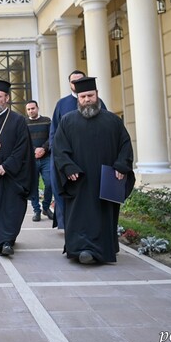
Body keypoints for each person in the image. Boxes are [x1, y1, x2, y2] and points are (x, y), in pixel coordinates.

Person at [52, 76, 135, 264]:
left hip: (105, 179)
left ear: (97, 95)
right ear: (78, 99)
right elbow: (59, 148)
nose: (86, 100)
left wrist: (122, 166)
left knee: (104, 214)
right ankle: (81, 249)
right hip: (79, 180)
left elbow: (125, 145)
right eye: (82, 97)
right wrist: (68, 167)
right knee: (79, 215)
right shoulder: (67, 121)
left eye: (90, 95)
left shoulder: (113, 121)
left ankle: (104, 249)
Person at [0, 80, 35, 255]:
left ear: (7, 98)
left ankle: (6, 242)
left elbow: (22, 148)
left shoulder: (18, 121)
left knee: (10, 210)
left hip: (11, 176)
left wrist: (6, 166)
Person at [49, 69, 106, 229]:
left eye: (80, 80)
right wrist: (57, 155)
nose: (86, 99)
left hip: (93, 158)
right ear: (70, 84)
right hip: (67, 158)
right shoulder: (62, 104)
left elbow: (108, 130)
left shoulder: (98, 103)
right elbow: (54, 131)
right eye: (74, 81)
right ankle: (69, 226)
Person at [25, 99, 53, 222]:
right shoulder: (23, 123)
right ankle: (36, 211)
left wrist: (43, 149)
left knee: (50, 183)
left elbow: (52, 136)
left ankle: (46, 207)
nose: (31, 111)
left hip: (46, 158)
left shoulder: (47, 121)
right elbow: (24, 140)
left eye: (33, 108)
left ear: (37, 108)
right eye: (29, 109)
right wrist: (35, 150)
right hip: (31, 159)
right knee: (33, 186)